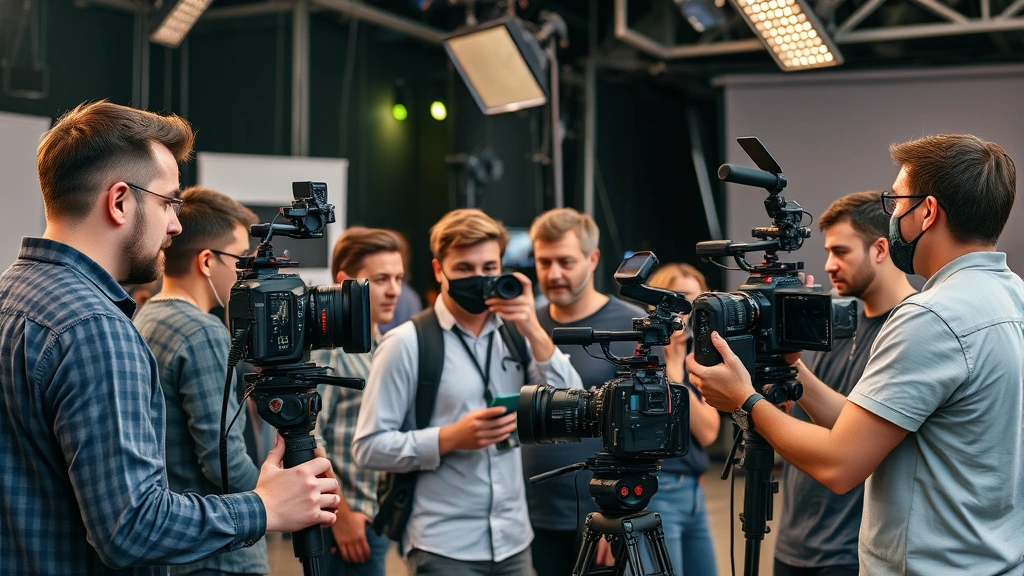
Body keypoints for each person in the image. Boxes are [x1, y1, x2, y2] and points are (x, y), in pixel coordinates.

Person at [0, 100, 339, 575]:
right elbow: (131, 527)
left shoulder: (11, 296)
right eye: (167, 202)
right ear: (119, 201)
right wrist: (264, 507)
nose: (176, 226)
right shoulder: (94, 327)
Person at [687, 134, 1023, 574]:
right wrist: (796, 371)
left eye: (896, 201)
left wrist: (744, 403)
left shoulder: (931, 316)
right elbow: (868, 427)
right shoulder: (1013, 298)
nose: (892, 216)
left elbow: (839, 464)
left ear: (928, 211)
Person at [352, 208, 582, 576]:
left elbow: (573, 406)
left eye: (489, 268)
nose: (479, 279)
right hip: (443, 544)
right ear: (439, 269)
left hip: (514, 540)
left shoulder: (517, 334)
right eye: (464, 268)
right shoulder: (406, 343)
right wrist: (448, 438)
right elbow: (367, 447)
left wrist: (533, 329)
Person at [773, 191, 916, 576]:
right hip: (792, 541)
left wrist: (793, 366)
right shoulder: (831, 321)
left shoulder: (914, 332)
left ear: (881, 249)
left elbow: (852, 434)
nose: (829, 265)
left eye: (841, 251)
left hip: (849, 553)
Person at [133, 186, 269, 576]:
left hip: (178, 546)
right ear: (207, 261)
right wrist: (273, 498)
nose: (249, 269)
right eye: (242, 258)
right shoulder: (202, 332)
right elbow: (223, 460)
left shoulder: (146, 318)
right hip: (221, 554)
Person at [521, 207, 645, 574]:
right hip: (531, 511)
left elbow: (647, 428)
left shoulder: (630, 324)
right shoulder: (524, 322)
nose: (554, 273)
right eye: (544, 262)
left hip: (602, 508)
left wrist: (618, 510)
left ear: (592, 259)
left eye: (566, 261)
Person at [311, 226, 406, 576]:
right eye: (381, 279)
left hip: (372, 517)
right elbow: (307, 440)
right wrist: (342, 515)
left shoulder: (382, 344)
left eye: (398, 278)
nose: (394, 289)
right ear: (345, 281)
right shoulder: (330, 352)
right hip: (343, 524)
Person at [644, 263, 720, 576]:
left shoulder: (698, 358)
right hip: (658, 491)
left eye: (695, 302)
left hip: (693, 492)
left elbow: (709, 433)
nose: (687, 311)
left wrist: (677, 368)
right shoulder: (641, 359)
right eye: (681, 299)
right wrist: (672, 369)